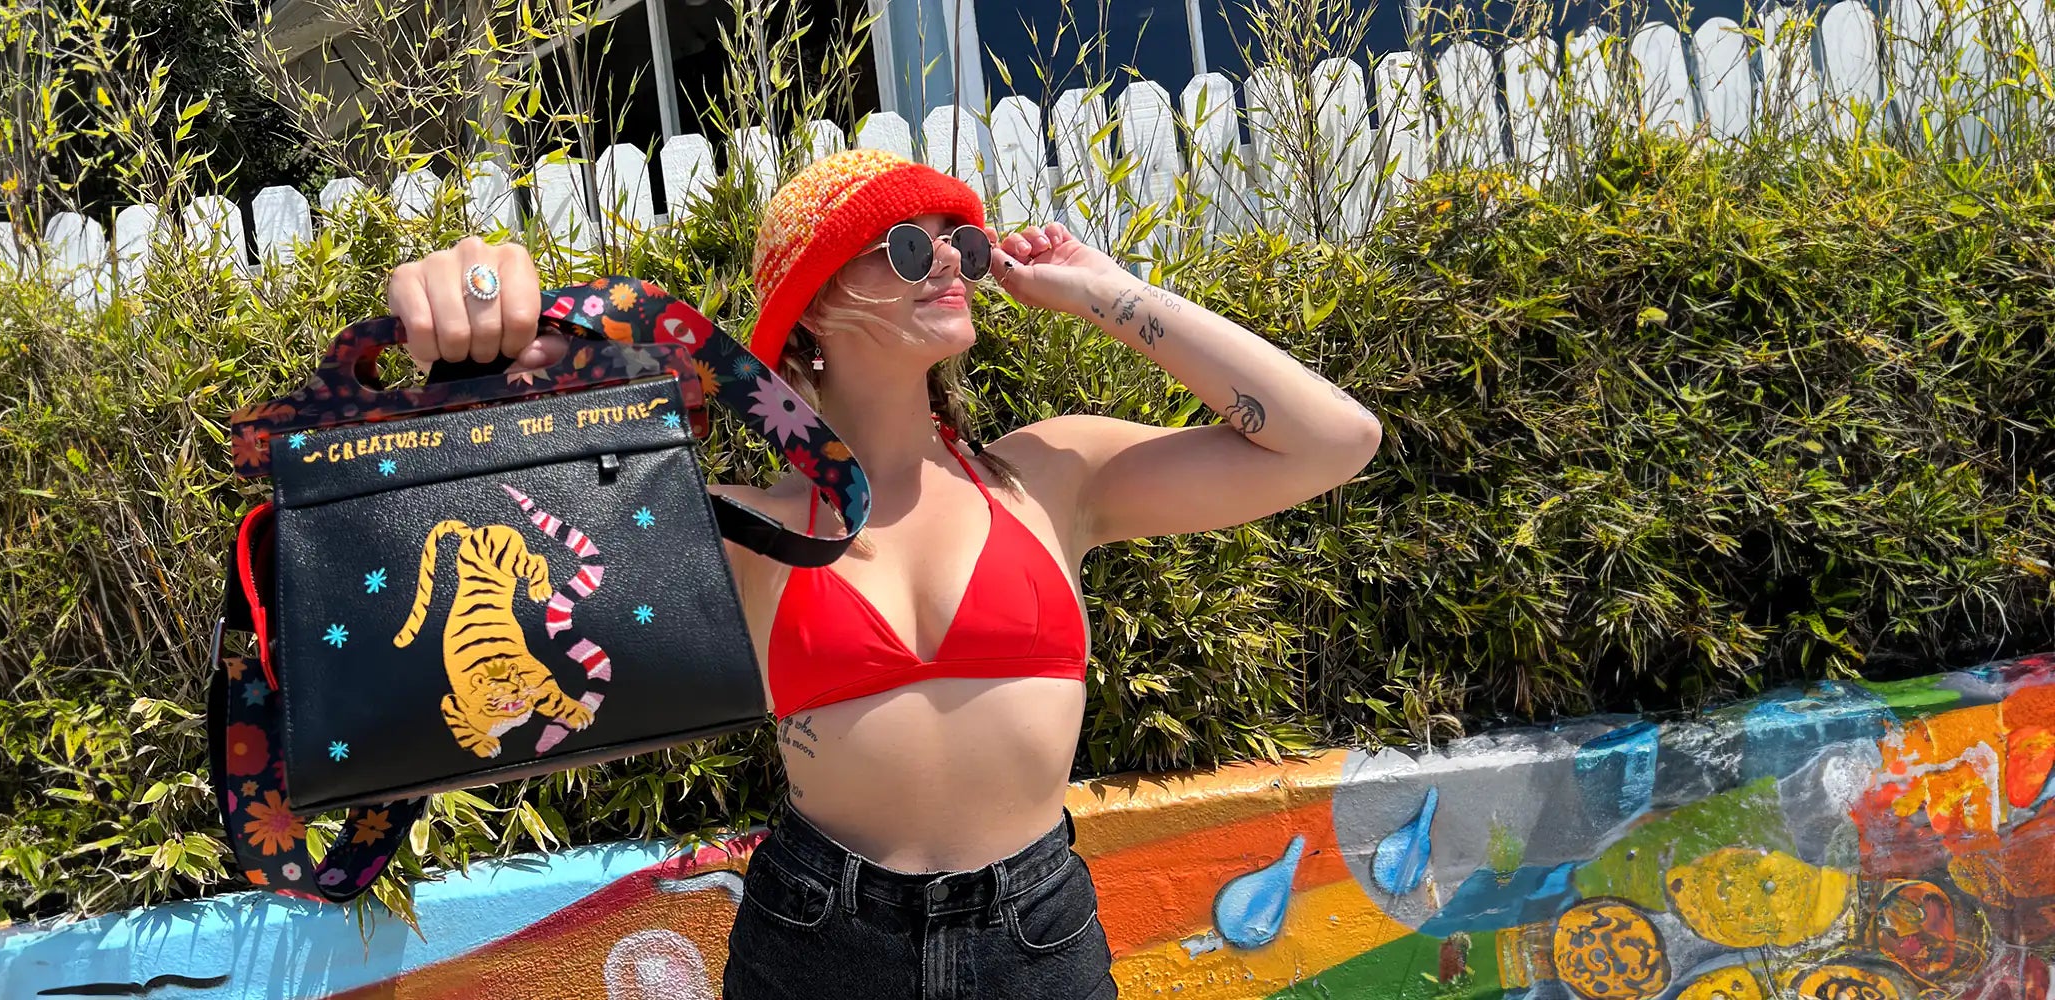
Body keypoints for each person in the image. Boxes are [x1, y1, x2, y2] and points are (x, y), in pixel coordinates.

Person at [383, 149, 1382, 999]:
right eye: (909, 247)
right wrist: (477, 345)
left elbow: (1329, 441)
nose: (950, 260)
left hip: (1037, 936)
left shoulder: (1048, 474)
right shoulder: (738, 525)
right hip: (821, 937)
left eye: (964, 242)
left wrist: (1101, 291)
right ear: (811, 306)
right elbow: (485, 580)